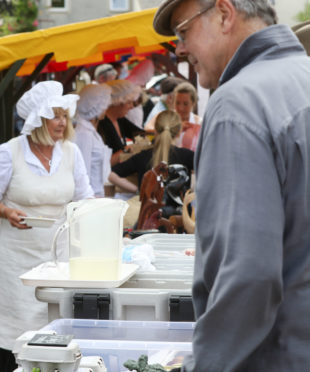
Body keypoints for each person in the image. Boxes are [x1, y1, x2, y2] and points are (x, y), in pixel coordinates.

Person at [153, 0, 310, 370]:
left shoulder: (239, 103)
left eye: (183, 31)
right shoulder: (302, 79)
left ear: (224, 14)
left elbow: (249, 276)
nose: (180, 48)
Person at [0, 81, 93, 371]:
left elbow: (85, 198)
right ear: (38, 119)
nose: (62, 122)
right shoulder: (11, 151)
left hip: (59, 256)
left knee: (54, 323)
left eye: (64, 116)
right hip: (17, 258)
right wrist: (6, 211)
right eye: (55, 116)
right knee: (15, 327)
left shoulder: (70, 152)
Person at [111, 110, 193, 192]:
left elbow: (111, 175)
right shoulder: (187, 156)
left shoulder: (142, 156)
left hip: (146, 204)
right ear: (179, 132)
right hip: (181, 205)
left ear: (155, 131)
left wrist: (137, 190)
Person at [73, 84, 112, 197]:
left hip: (98, 194)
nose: (106, 108)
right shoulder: (84, 134)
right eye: (103, 105)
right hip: (91, 197)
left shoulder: (91, 132)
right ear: (95, 108)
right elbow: (83, 171)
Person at [96, 79, 143, 166]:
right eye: (129, 103)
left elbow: (140, 135)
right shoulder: (102, 124)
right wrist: (129, 150)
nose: (132, 107)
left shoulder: (119, 120)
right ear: (117, 102)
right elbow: (105, 162)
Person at [172, 81, 202, 151]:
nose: (180, 108)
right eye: (177, 103)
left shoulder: (199, 123)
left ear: (193, 103)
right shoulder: (168, 119)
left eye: (185, 104)